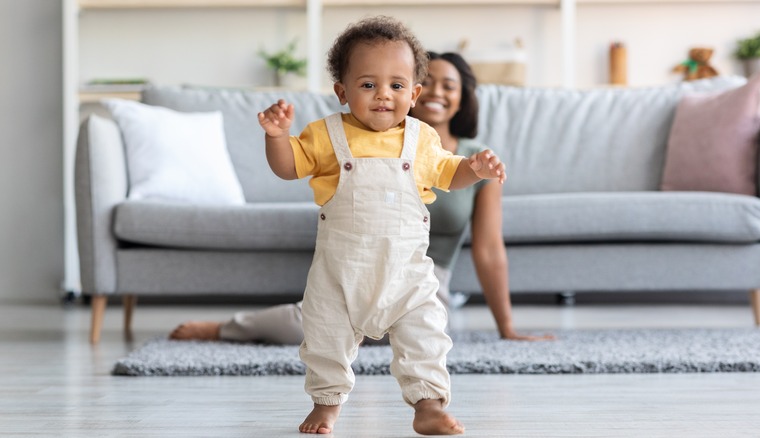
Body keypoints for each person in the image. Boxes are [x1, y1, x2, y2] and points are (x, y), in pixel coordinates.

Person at [169, 51, 553, 345]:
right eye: (429, 81)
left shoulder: (475, 159)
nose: (437, 92)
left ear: (462, 96)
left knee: (414, 333)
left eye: (449, 85)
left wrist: (508, 328)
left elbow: (488, 250)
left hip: (421, 275)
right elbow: (296, 166)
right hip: (357, 258)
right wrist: (278, 138)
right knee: (320, 324)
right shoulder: (355, 139)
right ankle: (226, 328)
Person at [262, 16, 507, 435]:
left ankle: (427, 405)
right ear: (342, 91)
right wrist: (277, 137)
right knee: (325, 341)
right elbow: (288, 168)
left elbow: (450, 175)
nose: (383, 95)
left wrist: (475, 168)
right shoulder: (326, 135)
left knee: (426, 336)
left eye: (396, 85)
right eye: (368, 84)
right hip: (340, 276)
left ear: (413, 93)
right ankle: (326, 405)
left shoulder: (422, 139)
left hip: (406, 276)